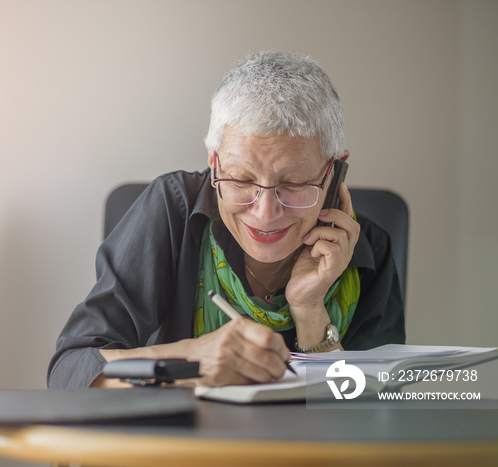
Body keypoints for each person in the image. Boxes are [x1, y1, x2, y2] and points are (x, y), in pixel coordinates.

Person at [48, 51, 405, 389]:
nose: (265, 213)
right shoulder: (173, 210)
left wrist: (310, 310)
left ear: (334, 171)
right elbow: (71, 370)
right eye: (240, 179)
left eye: (294, 183)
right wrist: (187, 361)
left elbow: (370, 417)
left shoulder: (367, 249)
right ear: (214, 161)